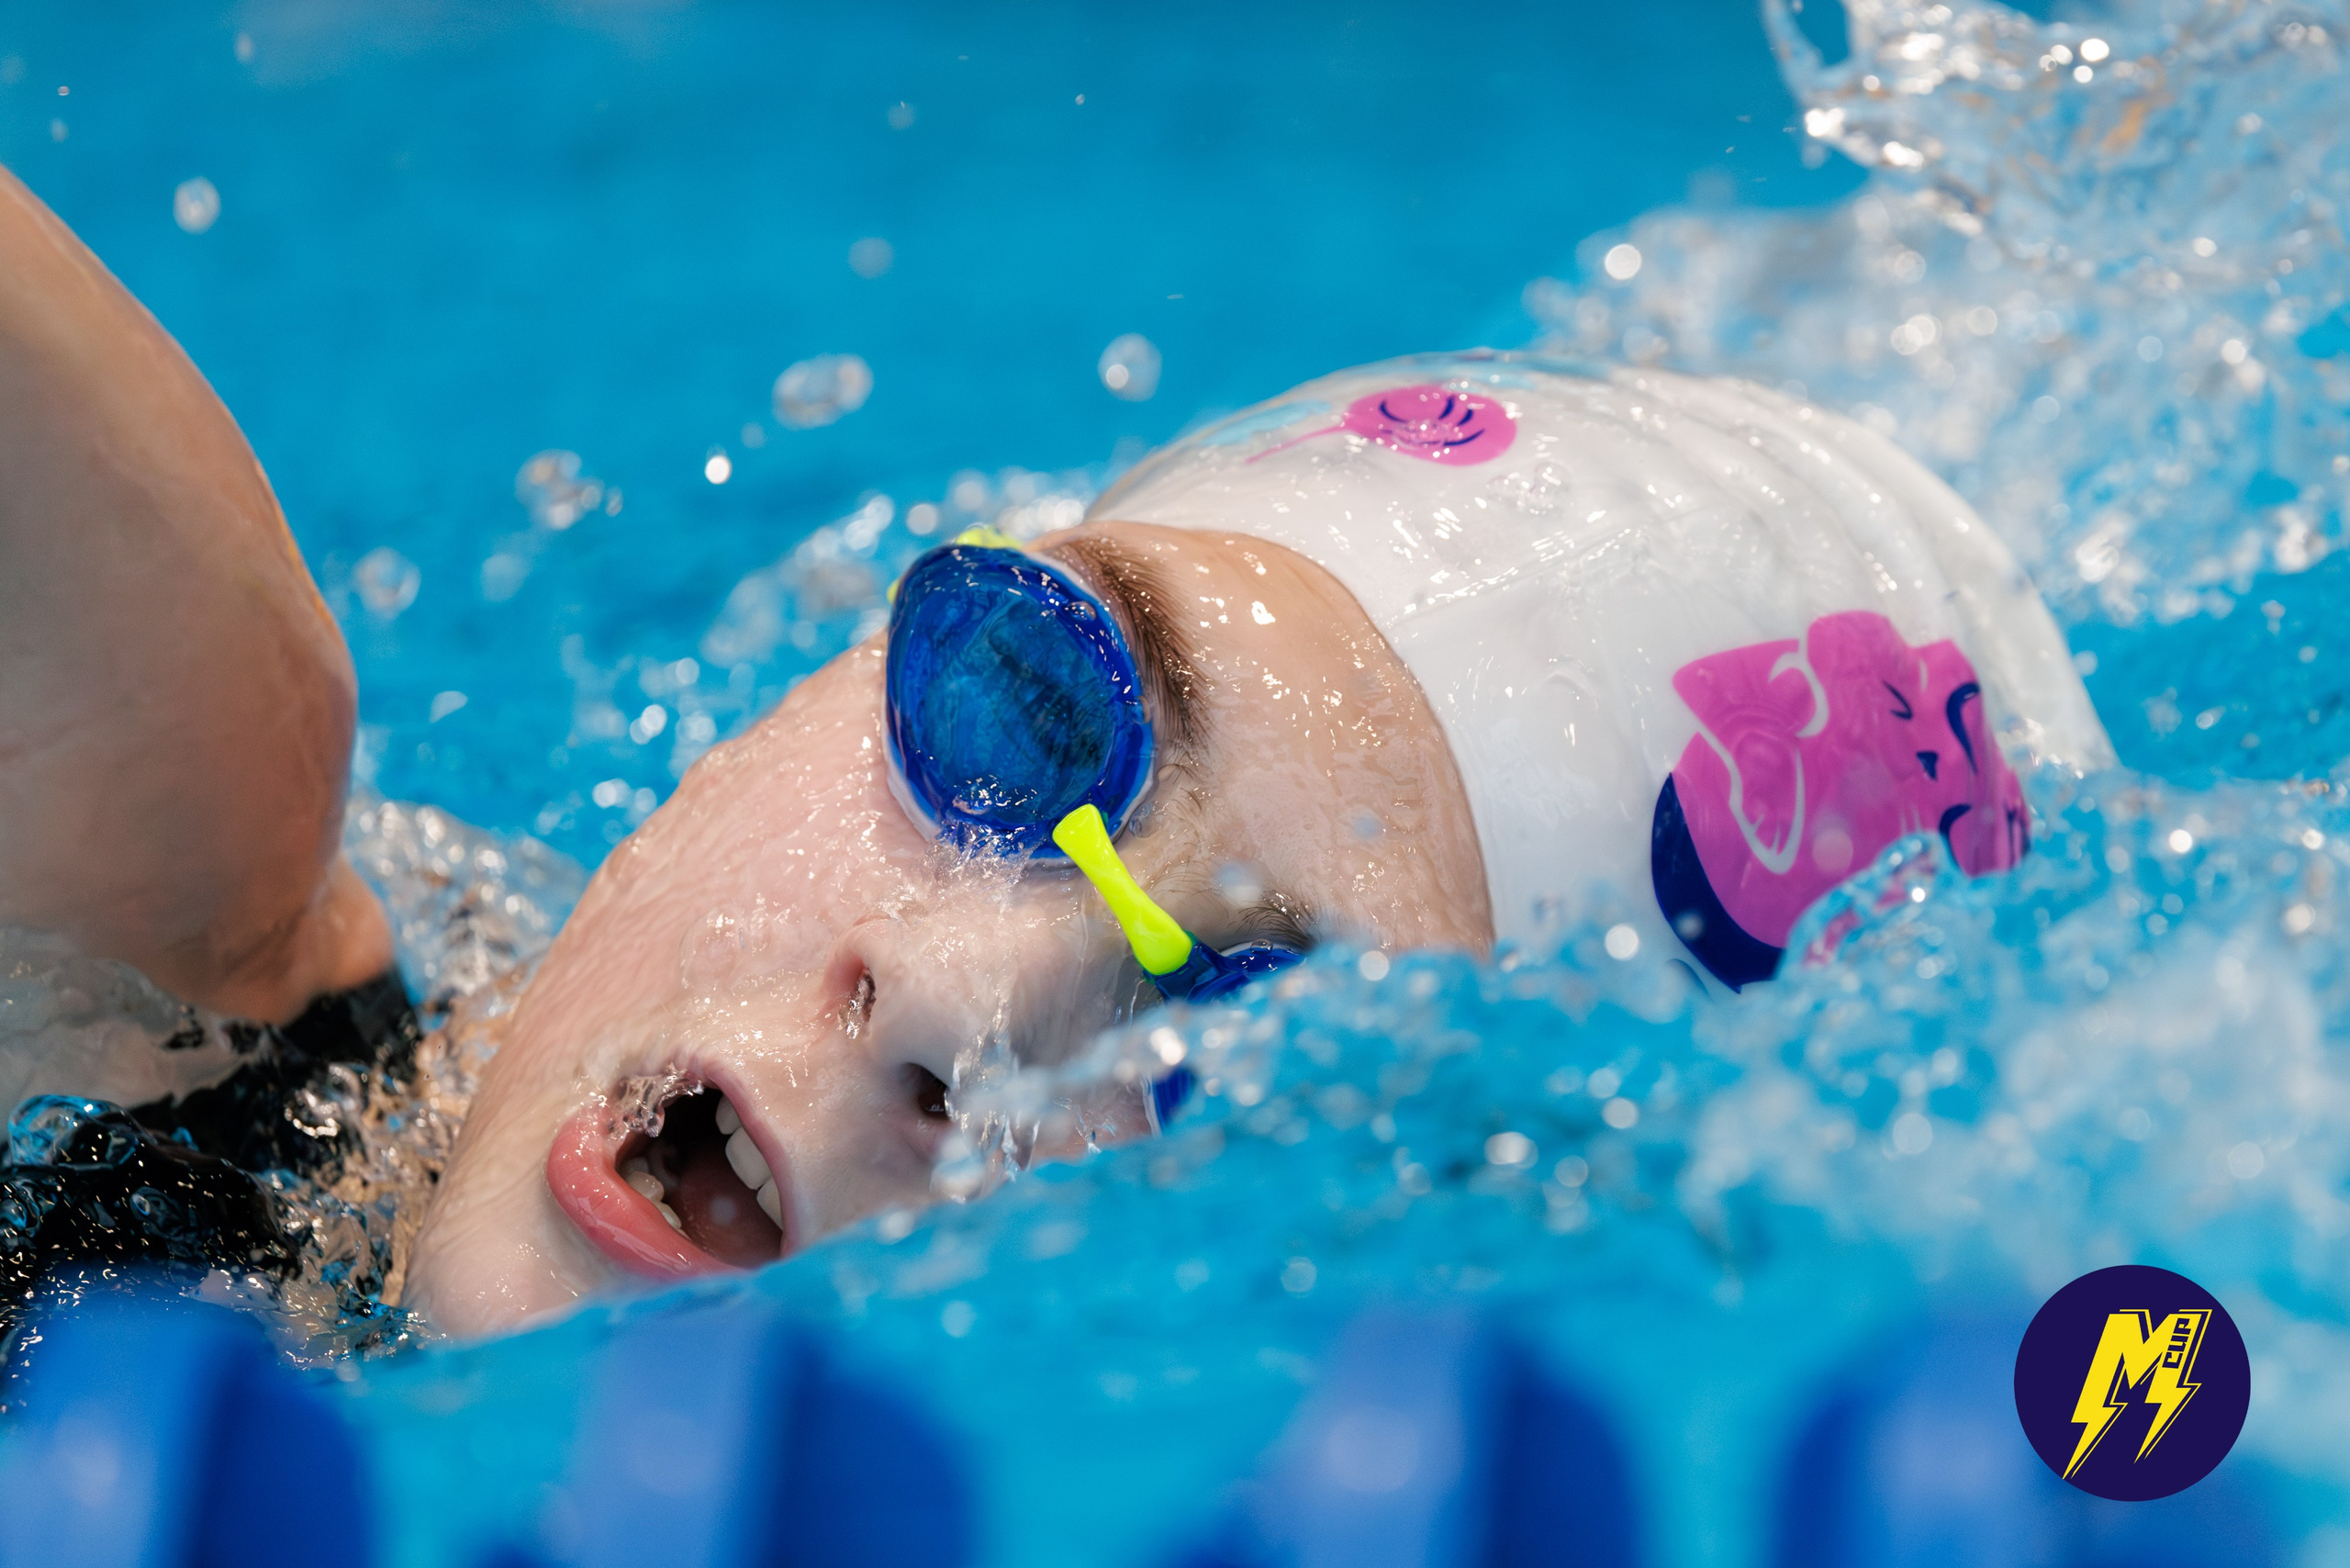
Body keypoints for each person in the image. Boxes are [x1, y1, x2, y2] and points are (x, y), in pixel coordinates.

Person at [0, 169, 2110, 1338]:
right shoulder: (139, 887)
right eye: (1032, 710)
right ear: (807, 683)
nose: (961, 993)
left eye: (1236, 1012)